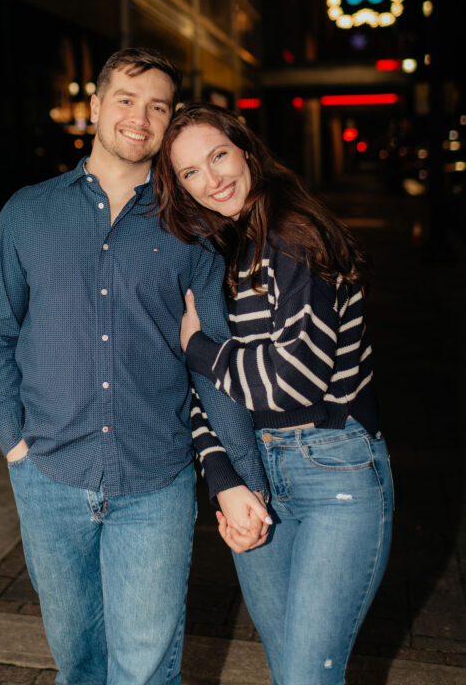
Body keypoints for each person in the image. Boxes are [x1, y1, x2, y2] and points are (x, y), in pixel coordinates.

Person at [0, 49, 270, 685]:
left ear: (167, 125)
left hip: (154, 482)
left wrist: (240, 477)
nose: (141, 117)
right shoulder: (29, 212)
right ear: (98, 106)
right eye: (127, 100)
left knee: (144, 668)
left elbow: (213, 367)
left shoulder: (189, 230)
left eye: (158, 106)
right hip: (49, 474)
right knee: (78, 662)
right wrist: (14, 444)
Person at [154, 101, 393, 685]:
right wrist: (226, 482)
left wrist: (200, 349)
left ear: (245, 150)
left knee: (310, 676)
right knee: (290, 674)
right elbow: (209, 394)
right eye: (190, 173)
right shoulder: (226, 252)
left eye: (218, 156)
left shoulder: (293, 237)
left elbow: (294, 381)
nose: (212, 180)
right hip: (257, 470)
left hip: (336, 467)